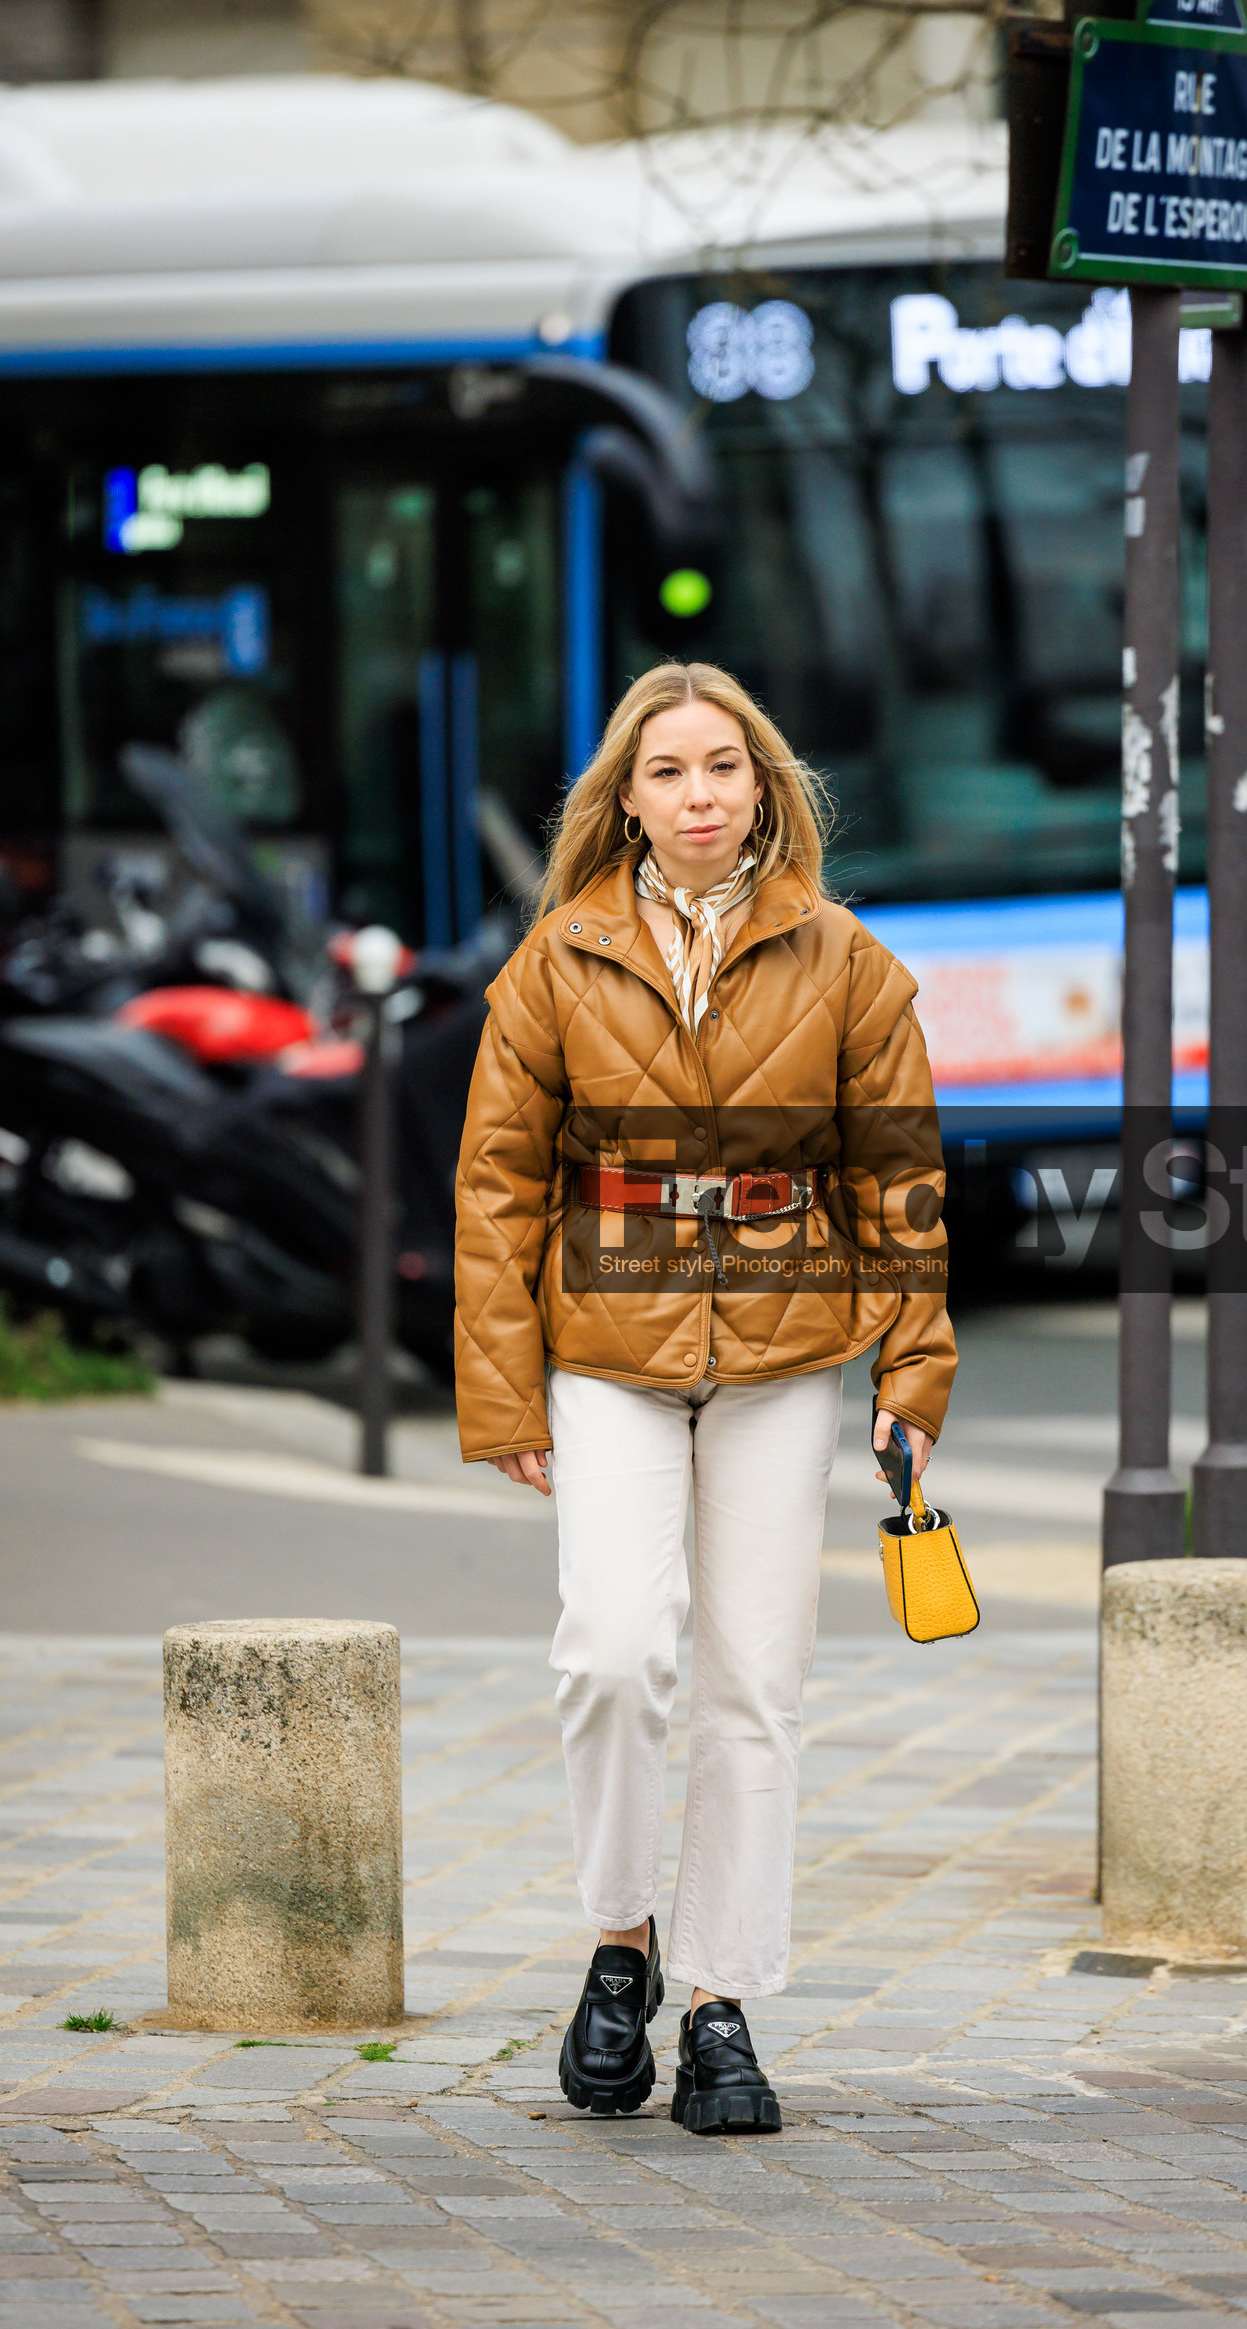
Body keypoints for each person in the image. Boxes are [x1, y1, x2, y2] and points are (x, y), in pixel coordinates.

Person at [454, 660, 956, 2134]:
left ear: (767, 788)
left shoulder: (849, 961)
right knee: (612, 1652)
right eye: (667, 771)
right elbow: (495, 1189)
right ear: (627, 796)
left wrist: (913, 1371)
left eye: (723, 768)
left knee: (755, 1686)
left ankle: (723, 2009)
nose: (698, 794)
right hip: (604, 1348)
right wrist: (506, 1393)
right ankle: (623, 1948)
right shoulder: (557, 960)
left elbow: (903, 1181)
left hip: (787, 1357)